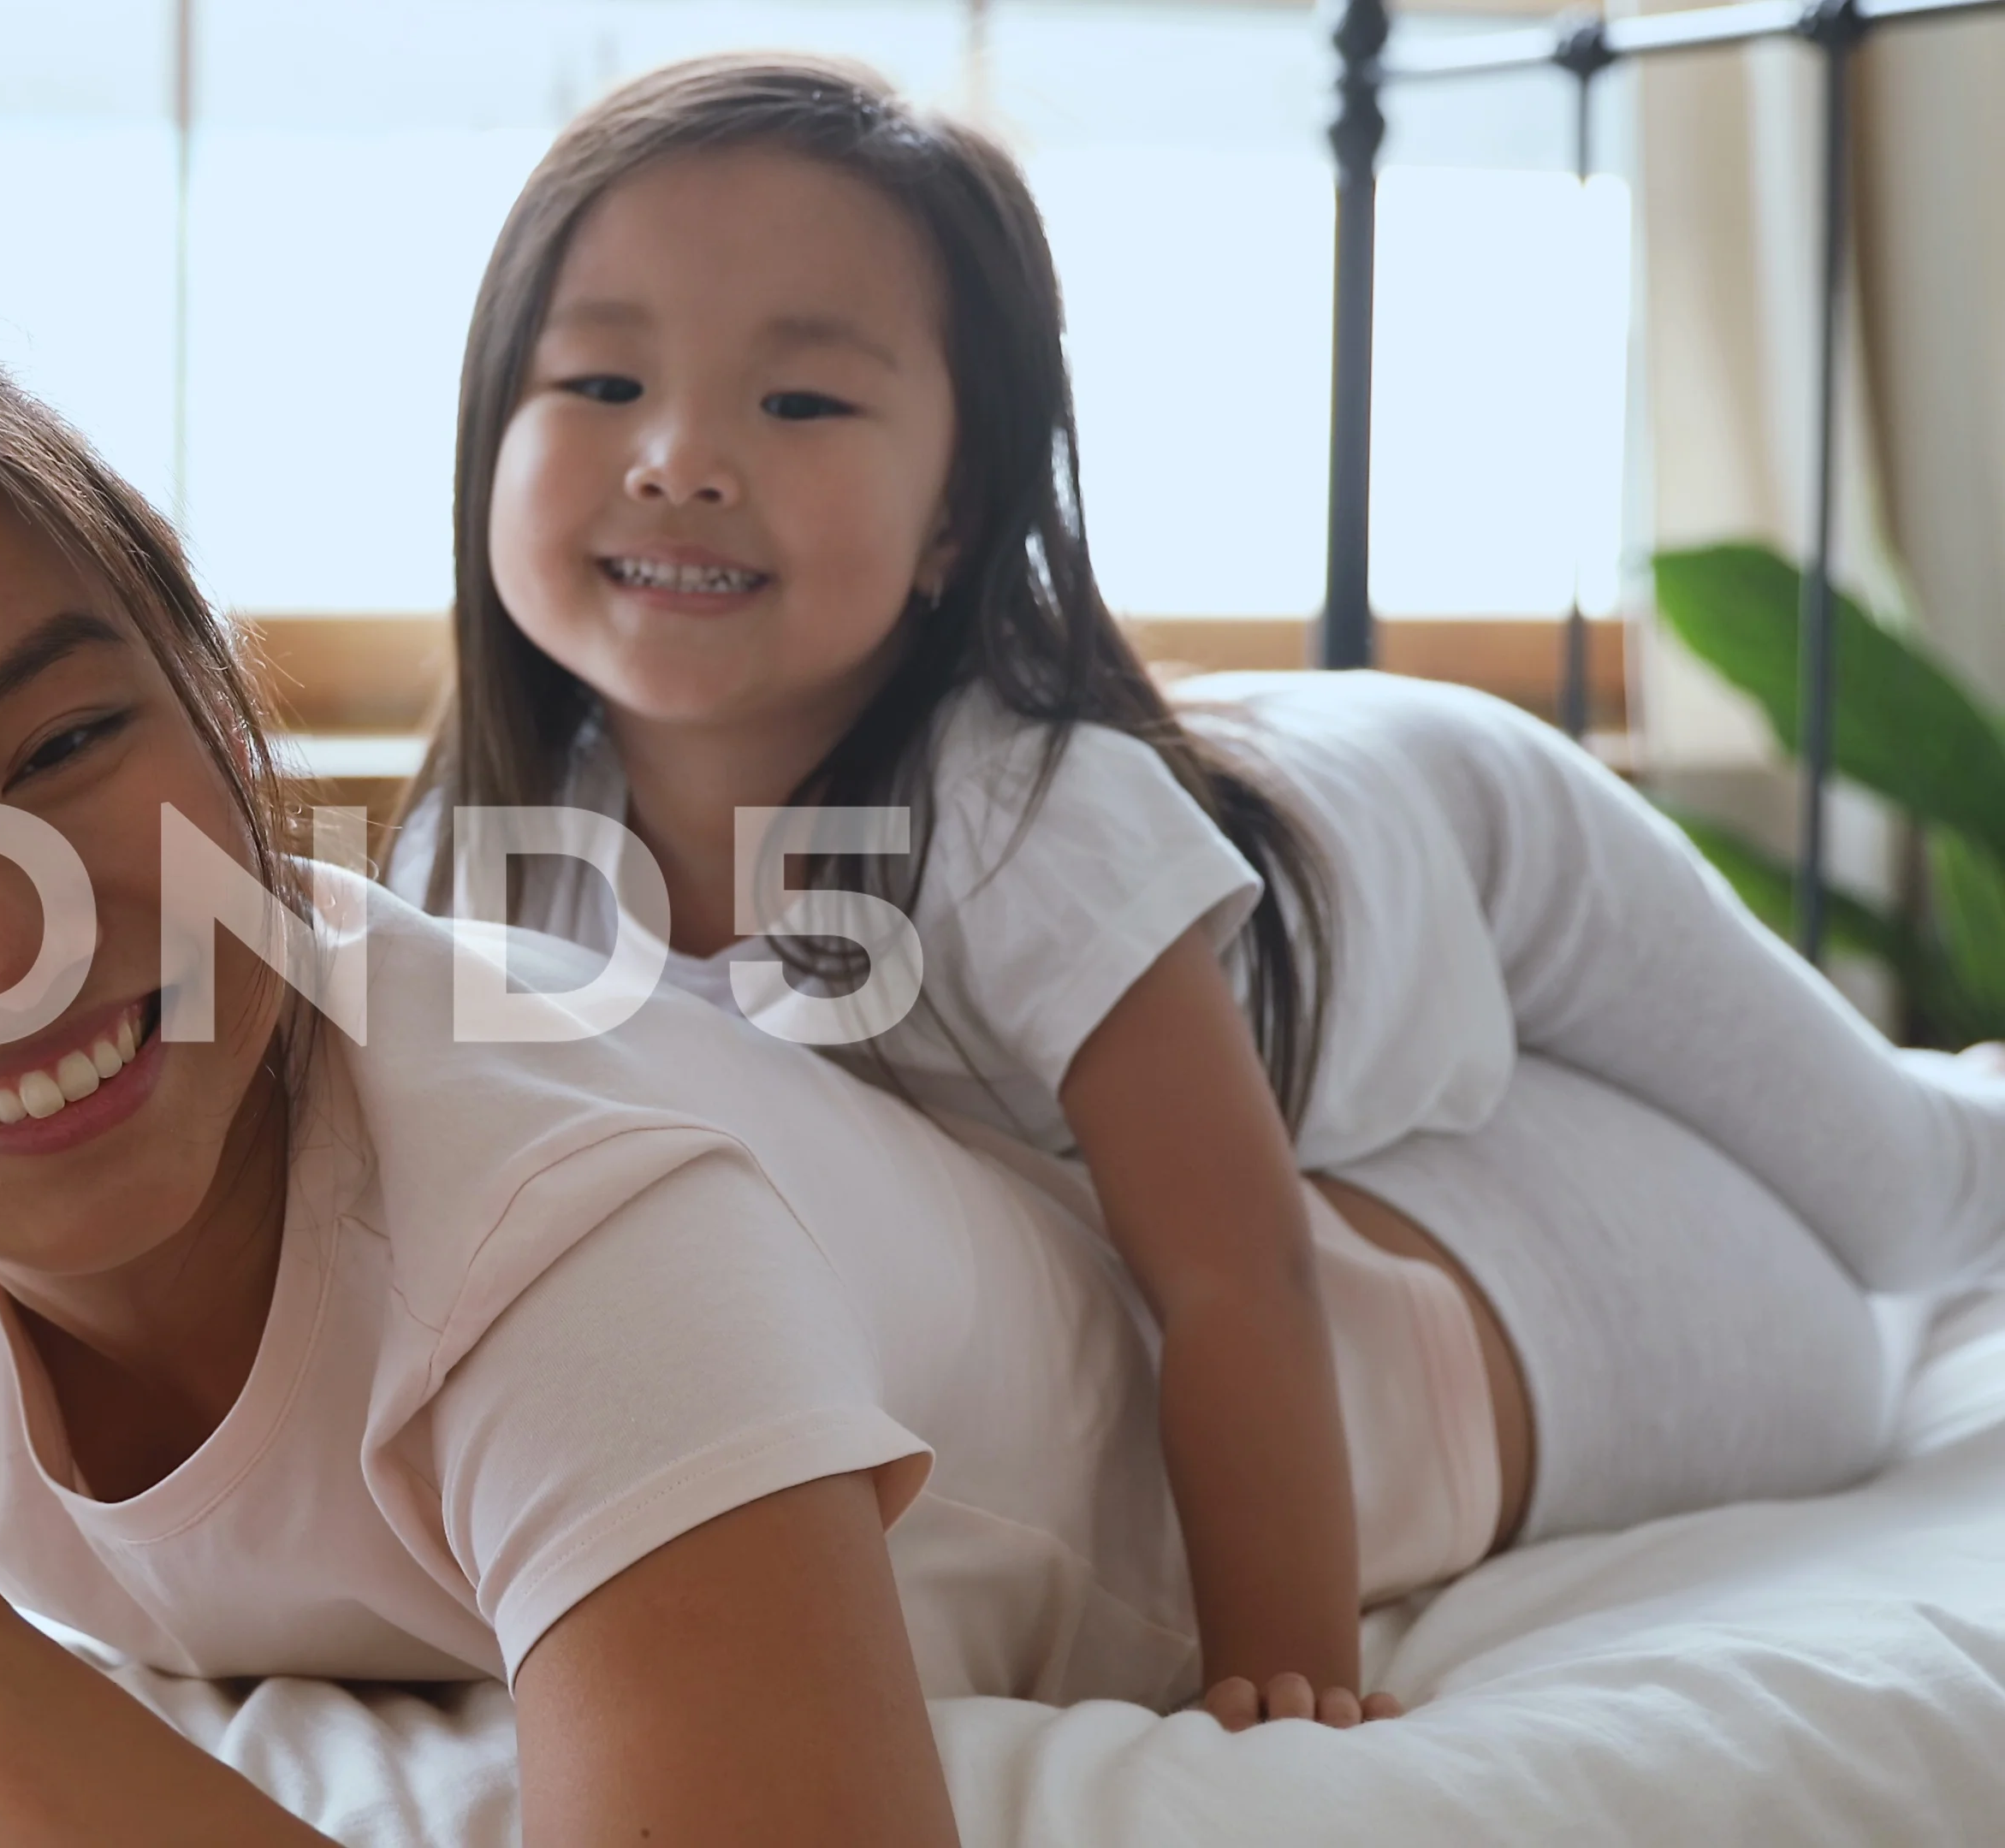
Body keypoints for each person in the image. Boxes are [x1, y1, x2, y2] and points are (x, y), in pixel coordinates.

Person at [389, 50, 2005, 1732]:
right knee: (1740, 1269)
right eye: (590, 384)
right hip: (1331, 1000)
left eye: (796, 402)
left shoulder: (1013, 822)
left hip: (1441, 840)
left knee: (1902, 1189)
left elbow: (1231, 1273)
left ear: (955, 520)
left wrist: (1282, 1669)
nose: (676, 457)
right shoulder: (486, 856)